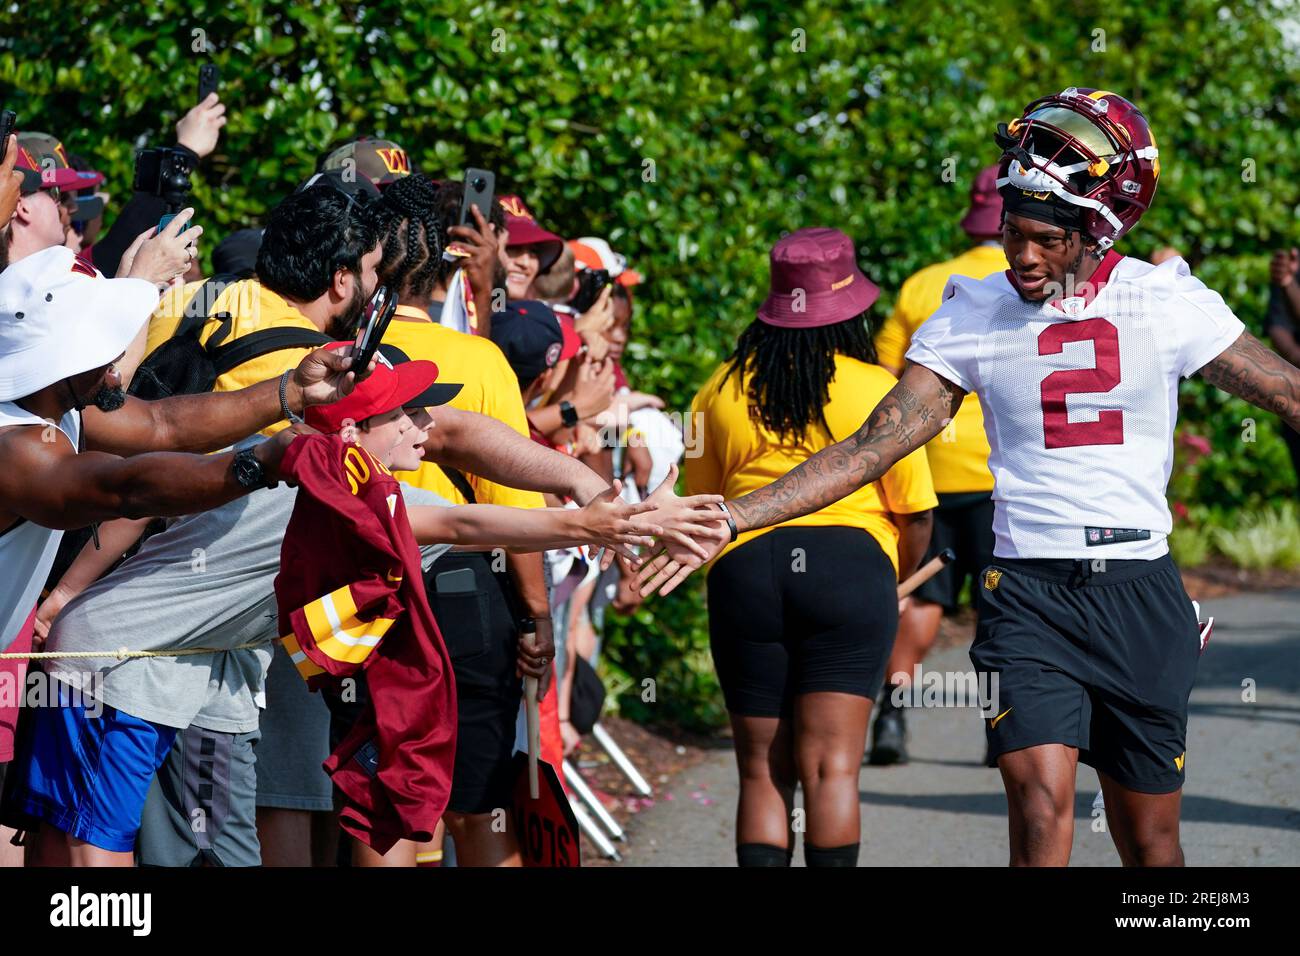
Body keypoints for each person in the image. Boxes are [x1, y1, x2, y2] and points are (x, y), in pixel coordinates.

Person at [647, 88, 1297, 868]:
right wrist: (733, 518)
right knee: (1039, 807)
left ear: (1095, 231)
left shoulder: (1165, 301)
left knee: (1153, 847)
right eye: (1009, 235)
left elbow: (1288, 394)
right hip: (1026, 594)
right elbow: (867, 450)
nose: (1020, 256)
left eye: (1042, 241)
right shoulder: (972, 313)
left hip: (1139, 591)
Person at [0, 245, 369, 804]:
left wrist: (291, 390)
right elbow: (123, 487)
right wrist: (257, 464)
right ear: (65, 351)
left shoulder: (54, 403)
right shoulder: (18, 444)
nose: (116, 351)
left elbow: (161, 424)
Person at [685, 228, 935, 868]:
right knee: (831, 771)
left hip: (746, 570)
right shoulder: (882, 388)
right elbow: (915, 514)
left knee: (761, 772)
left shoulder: (719, 389)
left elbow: (703, 506)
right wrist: (895, 584)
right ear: (854, 310)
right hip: (852, 571)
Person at [867, 164, 1007, 765]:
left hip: (926, 475)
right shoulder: (1033, 280)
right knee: (1000, 608)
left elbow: (884, 379)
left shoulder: (923, 285)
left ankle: (893, 719)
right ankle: (998, 729)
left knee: (922, 601)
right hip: (1000, 476)